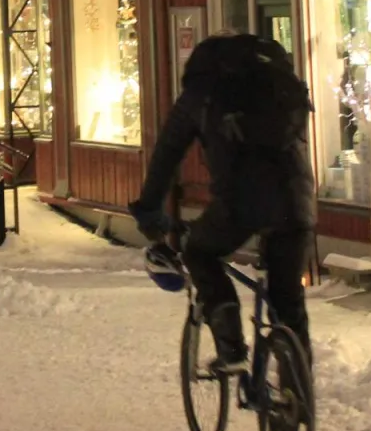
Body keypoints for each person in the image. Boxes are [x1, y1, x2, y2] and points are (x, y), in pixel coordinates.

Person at [129, 34, 314, 374]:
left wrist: (149, 211)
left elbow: (166, 156)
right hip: (297, 199)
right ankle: (296, 403)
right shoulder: (275, 86)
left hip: (241, 203)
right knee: (288, 303)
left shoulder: (198, 95)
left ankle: (231, 349)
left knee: (199, 253)